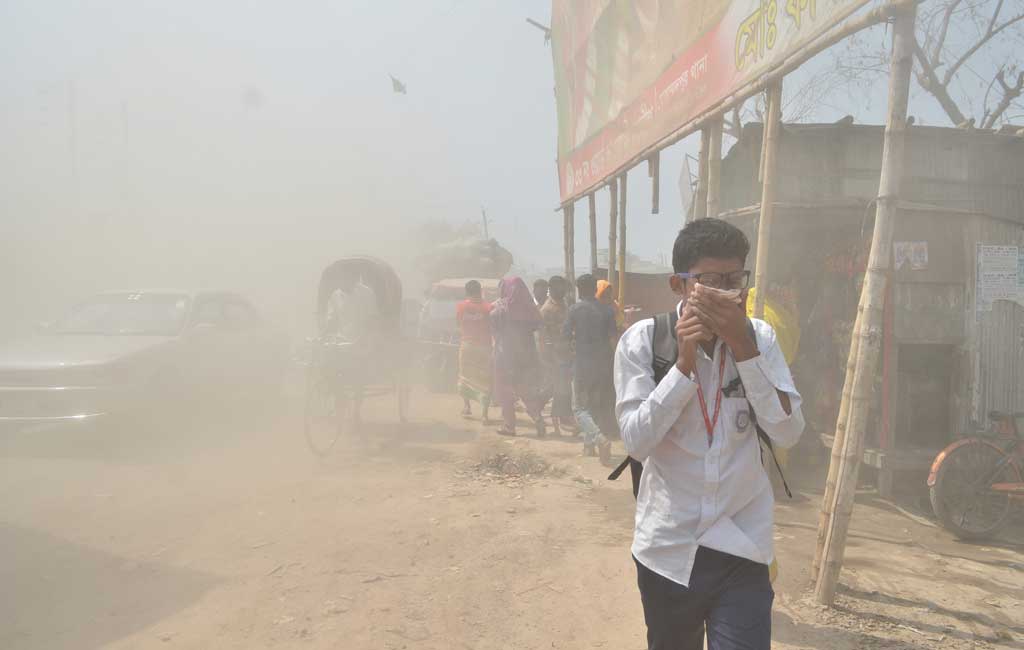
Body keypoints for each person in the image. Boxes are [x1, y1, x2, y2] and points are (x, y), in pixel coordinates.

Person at [614, 218, 804, 650]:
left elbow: (788, 431)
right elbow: (636, 441)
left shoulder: (761, 338)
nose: (725, 291)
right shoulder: (643, 342)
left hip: (743, 545)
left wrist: (744, 348)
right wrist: (682, 367)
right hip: (668, 549)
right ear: (678, 285)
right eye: (709, 281)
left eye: (734, 279)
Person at [564, 273, 617, 461]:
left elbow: (566, 336)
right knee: (593, 406)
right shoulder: (608, 310)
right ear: (595, 289)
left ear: (579, 290)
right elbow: (613, 340)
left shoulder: (574, 310)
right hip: (603, 365)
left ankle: (598, 438)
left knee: (578, 408)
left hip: (582, 364)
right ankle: (589, 447)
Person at [491, 276, 546, 437]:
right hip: (527, 356)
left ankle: (509, 426)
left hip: (505, 355)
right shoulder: (530, 308)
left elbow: (494, 328)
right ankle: (537, 418)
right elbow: (538, 325)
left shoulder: (499, 308)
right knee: (525, 389)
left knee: (505, 390)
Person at [538, 275, 573, 435]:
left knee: (560, 388)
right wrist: (550, 358)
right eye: (559, 287)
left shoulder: (563, 304)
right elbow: (544, 337)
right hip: (553, 356)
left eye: (564, 288)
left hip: (564, 353)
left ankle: (560, 419)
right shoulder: (547, 309)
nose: (563, 291)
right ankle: (536, 408)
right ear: (551, 289)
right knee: (554, 388)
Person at [456, 280, 493, 422]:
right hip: (485, 347)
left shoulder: (461, 307)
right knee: (484, 379)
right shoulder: (488, 307)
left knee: (465, 376)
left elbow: (458, 324)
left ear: (467, 292)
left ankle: (467, 406)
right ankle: (484, 414)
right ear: (480, 290)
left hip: (467, 346)